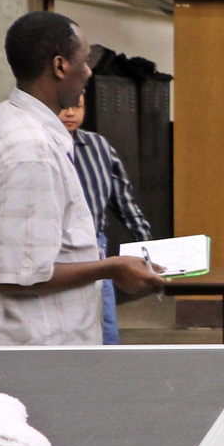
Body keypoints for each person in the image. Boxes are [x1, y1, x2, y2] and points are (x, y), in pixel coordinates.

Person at [0, 11, 164, 346]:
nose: (90, 71)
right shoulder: (30, 151)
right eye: (86, 60)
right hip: (33, 354)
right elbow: (8, 277)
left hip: (13, 348)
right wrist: (110, 268)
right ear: (60, 66)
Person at [58, 94, 156, 345]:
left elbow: (124, 201)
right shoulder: (40, 146)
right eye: (63, 106)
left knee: (106, 328)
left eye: (77, 106)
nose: (70, 113)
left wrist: (148, 245)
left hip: (95, 247)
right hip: (56, 251)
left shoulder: (99, 146)